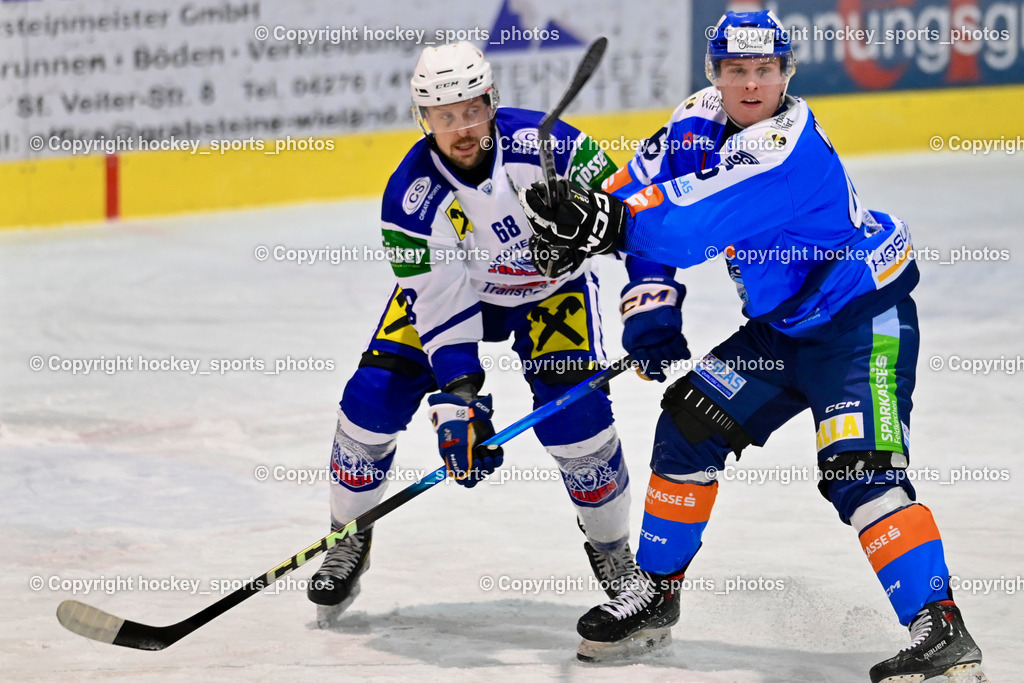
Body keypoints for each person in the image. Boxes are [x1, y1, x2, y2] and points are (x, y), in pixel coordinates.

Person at [518, 11, 987, 682]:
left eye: (764, 70)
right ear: (714, 73)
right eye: (735, 70)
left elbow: (685, 225)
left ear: (786, 73)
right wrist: (614, 260)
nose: (749, 84)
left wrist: (605, 225)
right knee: (689, 425)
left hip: (858, 323)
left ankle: (940, 629)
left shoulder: (785, 151)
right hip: (781, 329)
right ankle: (655, 595)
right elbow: (632, 192)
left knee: (861, 471)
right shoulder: (695, 121)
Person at [306, 42, 690, 628]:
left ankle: (614, 553)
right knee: (372, 398)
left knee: (578, 419)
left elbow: (636, 217)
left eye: (471, 110)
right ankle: (348, 534)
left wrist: (650, 299)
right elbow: (439, 301)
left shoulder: (557, 148)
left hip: (551, 292)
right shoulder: (409, 197)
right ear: (422, 118)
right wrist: (459, 399)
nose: (461, 129)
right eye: (444, 116)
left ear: (492, 102)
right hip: (463, 296)